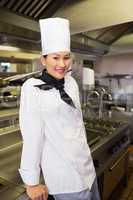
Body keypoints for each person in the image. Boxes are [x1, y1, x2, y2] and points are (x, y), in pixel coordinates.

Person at [19, 18, 100, 200]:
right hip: (65, 178)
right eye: (55, 57)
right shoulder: (32, 88)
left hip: (88, 169)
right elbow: (32, 137)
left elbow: (77, 125)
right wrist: (31, 182)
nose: (62, 64)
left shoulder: (70, 82)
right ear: (43, 60)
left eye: (66, 57)